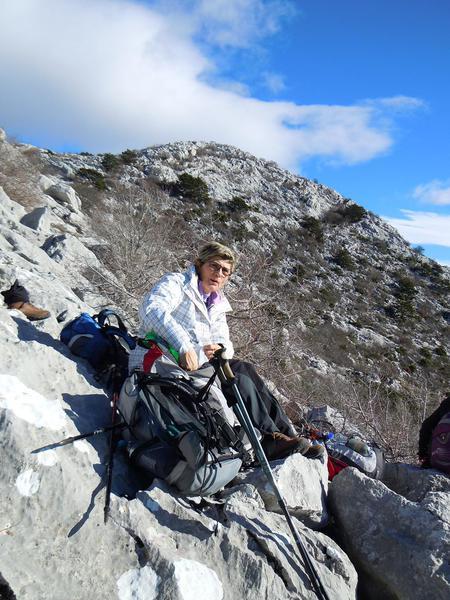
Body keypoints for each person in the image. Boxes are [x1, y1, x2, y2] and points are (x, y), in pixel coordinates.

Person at [129, 241, 322, 461]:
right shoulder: (177, 283)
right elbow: (151, 308)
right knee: (236, 381)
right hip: (162, 358)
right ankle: (270, 440)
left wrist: (221, 349)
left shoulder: (217, 303)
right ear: (200, 264)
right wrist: (183, 345)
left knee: (244, 369)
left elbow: (225, 342)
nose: (218, 274)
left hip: (199, 364)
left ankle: (288, 436)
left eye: (225, 271)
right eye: (214, 266)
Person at [418, 393, 450, 474]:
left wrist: (423, 455)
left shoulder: (447, 403)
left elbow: (426, 426)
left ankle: (428, 461)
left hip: (438, 462)